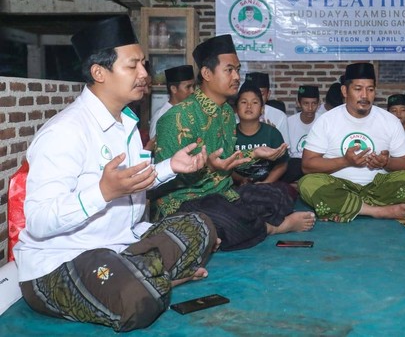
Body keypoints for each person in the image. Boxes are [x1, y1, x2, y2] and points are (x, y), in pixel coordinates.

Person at [14, 16, 218, 332]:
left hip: (120, 247)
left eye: (144, 65)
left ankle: (148, 275)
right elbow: (38, 222)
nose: (144, 74)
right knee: (136, 298)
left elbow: (133, 181)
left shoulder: (126, 124)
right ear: (99, 73)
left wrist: (171, 167)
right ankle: (150, 278)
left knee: (201, 226)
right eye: (133, 66)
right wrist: (103, 192)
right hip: (62, 263)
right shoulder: (65, 132)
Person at [154, 35, 315, 251]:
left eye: (237, 70)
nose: (237, 77)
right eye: (229, 70)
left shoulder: (228, 114)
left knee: (279, 195)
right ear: (207, 73)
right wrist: (209, 167)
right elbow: (164, 181)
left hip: (224, 191)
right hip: (186, 200)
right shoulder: (176, 118)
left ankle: (222, 231)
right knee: (229, 217)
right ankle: (273, 228)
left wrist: (256, 155)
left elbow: (228, 162)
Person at [298, 63, 405, 222]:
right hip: (339, 185)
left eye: (370, 89)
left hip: (378, 187)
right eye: (358, 89)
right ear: (345, 91)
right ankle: (378, 211)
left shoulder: (390, 121)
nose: (365, 95)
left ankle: (346, 207)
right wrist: (345, 161)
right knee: (308, 184)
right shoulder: (326, 121)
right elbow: (307, 165)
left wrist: (386, 162)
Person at [233, 82, 289, 185]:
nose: (249, 106)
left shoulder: (273, 133)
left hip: (268, 185)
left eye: (254, 102)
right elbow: (225, 165)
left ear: (262, 110)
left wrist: (266, 183)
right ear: (236, 109)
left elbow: (282, 164)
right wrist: (241, 179)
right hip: (237, 185)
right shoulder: (230, 134)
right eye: (244, 102)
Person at [148, 64, 196, 144]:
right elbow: (156, 148)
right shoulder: (161, 116)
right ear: (174, 89)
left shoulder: (193, 110)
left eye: (193, 86)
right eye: (188, 87)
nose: (192, 91)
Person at [283, 85, 321, 184]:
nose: (310, 108)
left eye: (314, 103)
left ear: (319, 104)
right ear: (298, 103)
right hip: (294, 165)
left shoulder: (323, 121)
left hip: (315, 163)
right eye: (306, 103)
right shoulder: (289, 122)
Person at [245, 71, 290, 145]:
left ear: (268, 94)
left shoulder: (280, 117)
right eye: (253, 94)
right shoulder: (237, 116)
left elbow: (284, 150)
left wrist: (273, 135)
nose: (257, 98)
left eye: (261, 94)